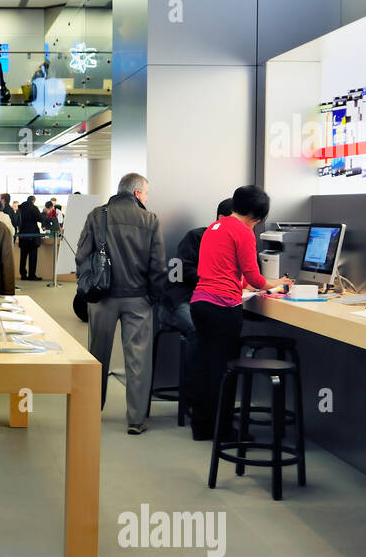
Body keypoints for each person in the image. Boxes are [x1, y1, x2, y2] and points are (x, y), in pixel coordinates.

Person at [188, 185, 291, 442]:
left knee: (206, 367)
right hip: (223, 308)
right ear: (257, 215)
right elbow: (255, 278)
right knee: (224, 370)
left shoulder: (214, 228)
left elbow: (218, 269)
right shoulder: (244, 232)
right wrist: (278, 283)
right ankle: (223, 430)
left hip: (200, 303)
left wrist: (242, 283)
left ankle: (201, 426)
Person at [78, 173, 168, 436]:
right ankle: (136, 420)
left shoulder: (98, 215)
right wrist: (154, 296)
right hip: (138, 298)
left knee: (97, 355)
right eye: (146, 193)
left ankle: (92, 410)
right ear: (137, 193)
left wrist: (88, 285)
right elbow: (158, 265)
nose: (147, 198)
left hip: (102, 298)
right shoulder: (150, 219)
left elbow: (83, 254)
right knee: (138, 360)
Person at [159, 198, 233, 424]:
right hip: (180, 300)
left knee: (221, 332)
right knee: (197, 330)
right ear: (221, 219)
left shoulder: (237, 241)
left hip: (210, 300)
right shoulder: (196, 237)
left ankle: (216, 401)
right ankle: (195, 400)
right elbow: (183, 270)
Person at [17, 195, 44, 280]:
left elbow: (17, 221)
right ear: (33, 201)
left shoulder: (20, 209)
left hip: (22, 236)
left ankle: (23, 275)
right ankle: (32, 275)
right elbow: (40, 219)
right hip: (32, 236)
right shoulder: (34, 208)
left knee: (23, 257)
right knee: (32, 257)